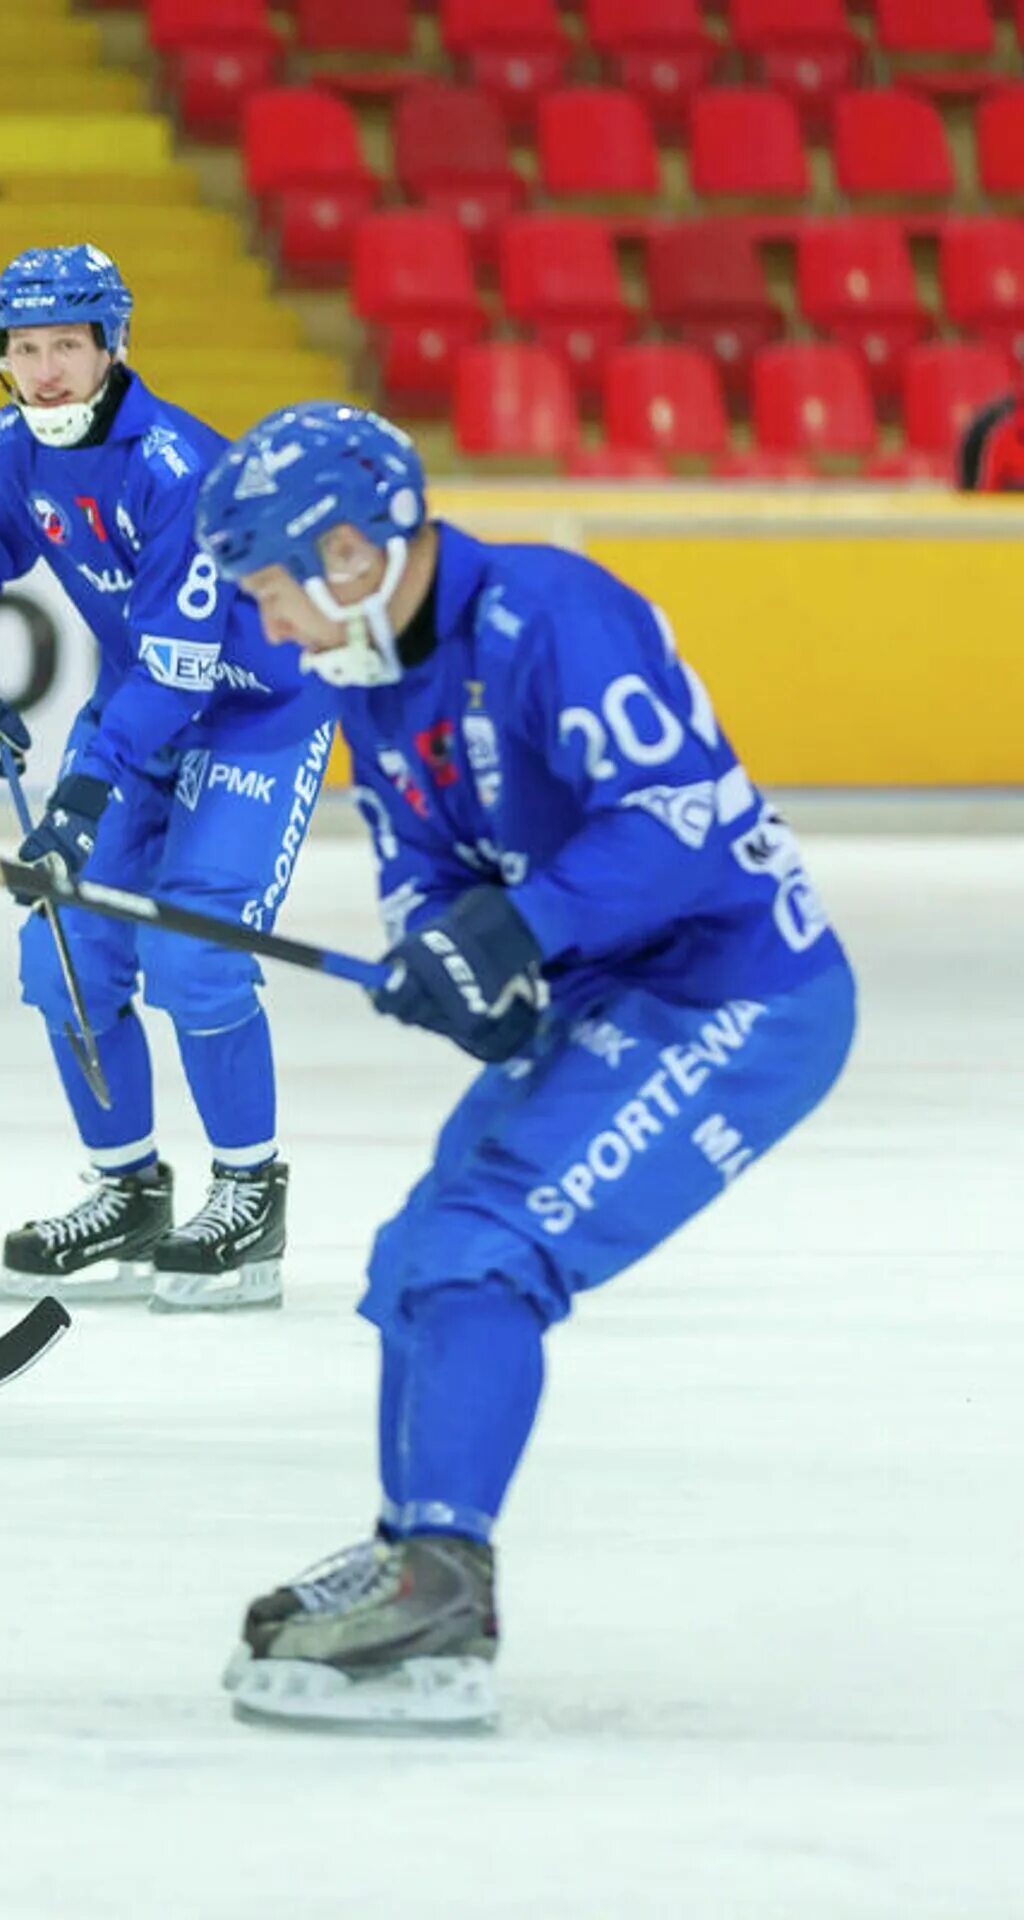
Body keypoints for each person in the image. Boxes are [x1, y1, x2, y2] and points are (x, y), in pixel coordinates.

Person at [192, 403, 857, 1728]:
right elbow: (420, 862)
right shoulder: (371, 681)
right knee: (415, 1256)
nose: (273, 631)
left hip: (733, 998)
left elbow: (677, 827)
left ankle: (446, 1577)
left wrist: (520, 930)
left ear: (346, 553)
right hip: (612, 995)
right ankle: (411, 1549)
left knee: (482, 1251)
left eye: (276, 593)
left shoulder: (553, 613)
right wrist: (454, 967)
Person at [0, 245, 337, 1314]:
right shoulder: (10, 448)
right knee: (65, 958)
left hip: (254, 715)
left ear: (112, 348)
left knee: (195, 954)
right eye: (24, 350)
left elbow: (181, 666)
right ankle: (129, 1189)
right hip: (141, 707)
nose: (46, 371)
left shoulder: (176, 466)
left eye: (67, 346)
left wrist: (79, 798)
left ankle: (250, 1192)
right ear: (1, 359)